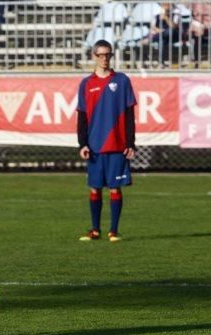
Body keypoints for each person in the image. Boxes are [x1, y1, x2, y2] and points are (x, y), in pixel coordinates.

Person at [77, 39, 136, 242]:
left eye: (107, 54)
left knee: (114, 187)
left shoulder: (122, 81)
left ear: (112, 56)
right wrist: (82, 143)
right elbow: (82, 116)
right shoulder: (86, 83)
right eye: (100, 55)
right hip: (94, 146)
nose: (104, 58)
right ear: (94, 56)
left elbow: (129, 114)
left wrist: (130, 143)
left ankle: (113, 230)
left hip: (117, 145)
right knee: (95, 187)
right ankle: (95, 230)